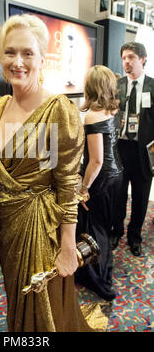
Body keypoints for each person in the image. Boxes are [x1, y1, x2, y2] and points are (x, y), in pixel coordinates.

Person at [0, 14, 107, 332]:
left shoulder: (58, 109)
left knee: (42, 306)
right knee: (17, 299)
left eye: (27, 53)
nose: (17, 61)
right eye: (9, 52)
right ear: (0, 57)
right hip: (7, 226)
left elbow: (67, 183)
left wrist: (67, 248)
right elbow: (4, 168)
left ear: (41, 57)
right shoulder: (0, 106)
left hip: (42, 229)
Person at [74, 65, 123, 301]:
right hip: (116, 176)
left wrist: (83, 188)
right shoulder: (112, 110)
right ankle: (93, 273)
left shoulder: (93, 116)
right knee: (101, 225)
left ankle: (101, 280)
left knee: (96, 229)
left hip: (101, 179)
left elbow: (95, 161)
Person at [111, 42, 154, 256]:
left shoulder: (152, 87)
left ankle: (134, 236)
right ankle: (116, 231)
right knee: (118, 195)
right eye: (124, 58)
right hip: (120, 150)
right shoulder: (116, 85)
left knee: (140, 197)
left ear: (142, 59)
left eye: (131, 58)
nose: (126, 62)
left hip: (144, 152)